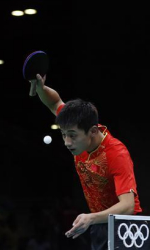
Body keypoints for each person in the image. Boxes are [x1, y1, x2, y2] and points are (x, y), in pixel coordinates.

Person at [31, 74, 142, 250]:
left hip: (126, 229)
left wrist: (91, 218)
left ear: (92, 131)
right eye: (63, 134)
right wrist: (41, 89)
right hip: (99, 224)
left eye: (72, 136)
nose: (67, 142)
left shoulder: (116, 153)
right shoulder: (75, 127)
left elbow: (128, 206)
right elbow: (55, 103)